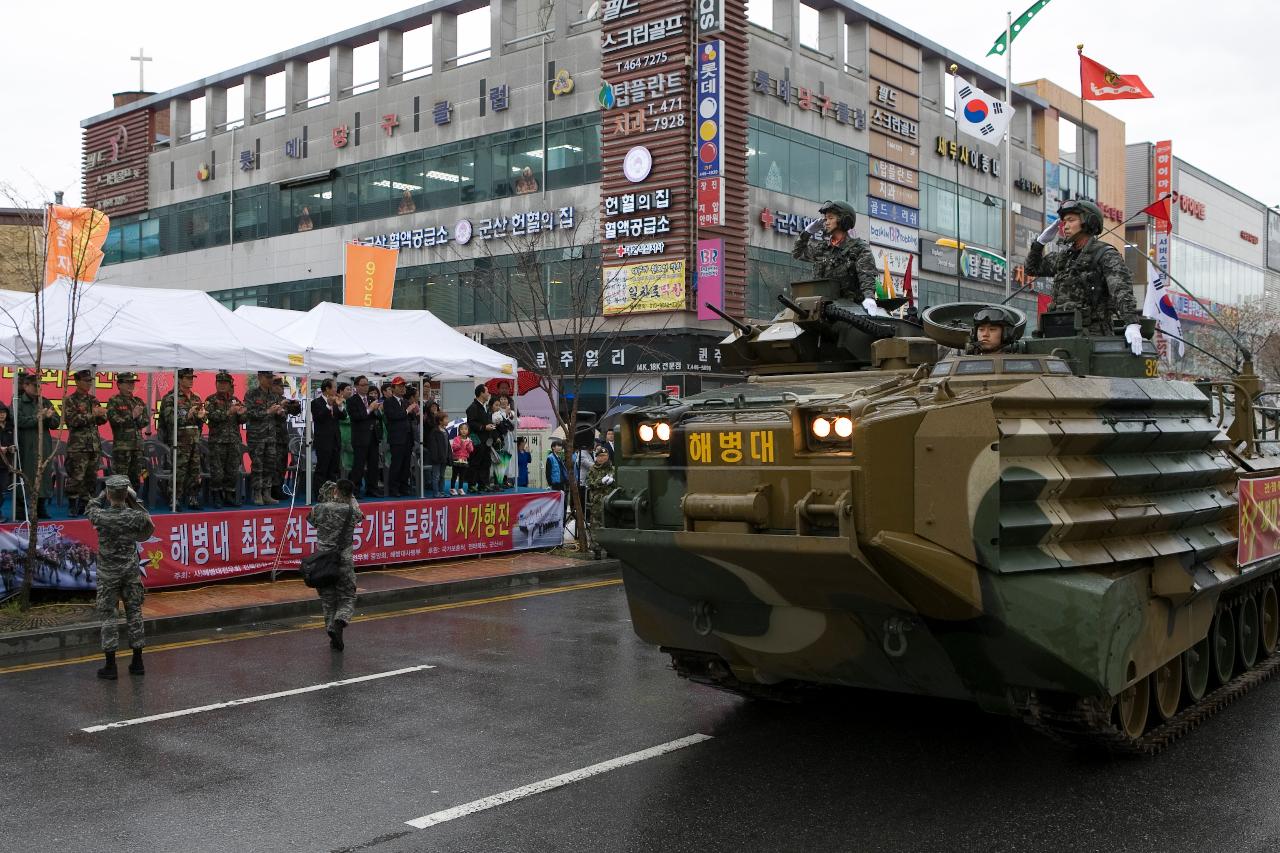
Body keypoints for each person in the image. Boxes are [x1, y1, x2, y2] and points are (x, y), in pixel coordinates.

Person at [1026, 199, 1142, 354]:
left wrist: (1132, 323)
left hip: (1092, 337)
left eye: (1071, 220)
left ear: (1089, 222)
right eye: (1064, 221)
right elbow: (1032, 268)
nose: (1065, 226)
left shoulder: (1105, 254)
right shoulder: (1064, 257)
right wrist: (1039, 243)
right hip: (1058, 333)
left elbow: (1120, 290)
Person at [86, 475, 155, 679]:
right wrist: (133, 497)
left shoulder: (101, 516)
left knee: (109, 616)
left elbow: (90, 508)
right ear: (126, 494)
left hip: (108, 575)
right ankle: (137, 662)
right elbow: (147, 521)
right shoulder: (135, 516)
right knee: (135, 613)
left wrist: (101, 495)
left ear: (108, 494)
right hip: (130, 572)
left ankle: (110, 666)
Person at [792, 200, 879, 311]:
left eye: (830, 218)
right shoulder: (822, 248)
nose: (826, 222)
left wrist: (869, 298)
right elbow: (797, 253)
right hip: (821, 309)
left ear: (844, 220)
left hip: (849, 310)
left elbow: (866, 275)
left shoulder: (858, 248)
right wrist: (807, 233)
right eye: (825, 219)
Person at [308, 479, 360, 651]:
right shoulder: (352, 510)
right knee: (347, 596)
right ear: (351, 494)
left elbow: (311, 521)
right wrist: (351, 499)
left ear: (336, 491)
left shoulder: (319, 508)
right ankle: (340, 620)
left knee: (328, 599)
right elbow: (360, 516)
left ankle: (331, 628)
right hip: (343, 560)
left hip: (323, 562)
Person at [158, 368, 207, 510]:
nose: (191, 380)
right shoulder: (171, 398)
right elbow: (169, 420)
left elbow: (201, 420)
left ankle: (193, 498)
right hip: (179, 441)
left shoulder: (196, 398)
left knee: (194, 471)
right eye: (187, 377)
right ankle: (175, 499)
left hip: (194, 440)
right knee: (178, 471)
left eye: (192, 377)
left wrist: (201, 416)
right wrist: (188, 415)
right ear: (179, 379)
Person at [62, 369, 108, 517]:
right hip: (78, 446)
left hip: (93, 445)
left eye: (90, 381)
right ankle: (72, 505)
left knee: (91, 477)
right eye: (86, 381)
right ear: (77, 382)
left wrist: (102, 414)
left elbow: (101, 421)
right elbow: (72, 421)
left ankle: (85, 504)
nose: (89, 383)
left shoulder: (93, 400)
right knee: (76, 477)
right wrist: (92, 415)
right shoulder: (70, 400)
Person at [14, 373, 55, 520]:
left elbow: (56, 423)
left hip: (44, 445)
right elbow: (19, 422)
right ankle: (21, 508)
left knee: (44, 475)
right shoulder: (18, 402)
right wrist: (38, 417)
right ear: (25, 386)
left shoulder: (45, 401)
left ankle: (41, 506)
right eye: (34, 385)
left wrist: (49, 418)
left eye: (40, 385)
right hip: (26, 446)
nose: (38, 388)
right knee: (26, 476)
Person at [204, 371, 247, 508]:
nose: (222, 386)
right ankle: (217, 496)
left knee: (232, 470)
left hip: (233, 441)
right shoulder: (210, 400)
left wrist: (241, 414)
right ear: (215, 384)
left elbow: (242, 420)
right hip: (217, 442)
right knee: (217, 472)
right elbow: (212, 416)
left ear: (230, 385)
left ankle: (229, 495)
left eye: (225, 383)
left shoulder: (235, 400)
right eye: (219, 383)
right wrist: (229, 412)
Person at [244, 371, 283, 506]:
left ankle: (267, 493)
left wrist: (280, 412)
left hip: (271, 436)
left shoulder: (274, 395)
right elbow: (248, 413)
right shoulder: (251, 394)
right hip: (256, 436)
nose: (270, 380)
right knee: (258, 466)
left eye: (271, 377)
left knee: (270, 465)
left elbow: (280, 416)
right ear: (260, 378)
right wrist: (267, 412)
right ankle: (257, 493)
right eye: (267, 377)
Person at [106, 372, 149, 492]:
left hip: (137, 446)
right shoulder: (114, 401)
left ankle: (132, 502)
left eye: (133, 382)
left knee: (136, 477)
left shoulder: (138, 401)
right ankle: (119, 504)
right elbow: (114, 421)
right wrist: (132, 416)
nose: (131, 385)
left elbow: (145, 421)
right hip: (122, 447)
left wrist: (138, 418)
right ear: (119, 384)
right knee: (121, 478)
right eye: (128, 382)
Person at [347, 376, 383, 497]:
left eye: (367, 384)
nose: (366, 387)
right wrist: (370, 409)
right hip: (360, 437)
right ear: (356, 387)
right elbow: (356, 417)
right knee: (359, 464)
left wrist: (378, 410)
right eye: (363, 385)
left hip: (373, 435)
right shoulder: (352, 400)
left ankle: (372, 488)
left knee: (374, 464)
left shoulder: (371, 398)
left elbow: (378, 416)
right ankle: (355, 490)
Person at [382, 377, 415, 496]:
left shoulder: (405, 401)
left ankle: (404, 486)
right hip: (396, 437)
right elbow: (393, 416)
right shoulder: (388, 402)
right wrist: (407, 411)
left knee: (406, 464)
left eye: (403, 386)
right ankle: (393, 488)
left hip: (407, 437)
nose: (402, 389)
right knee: (397, 463)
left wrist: (414, 412)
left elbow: (410, 418)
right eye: (400, 386)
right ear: (393, 388)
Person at [311, 378, 346, 485]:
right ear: (327, 388)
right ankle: (319, 494)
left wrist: (340, 405)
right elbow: (319, 418)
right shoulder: (316, 402)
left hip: (335, 440)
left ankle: (332, 493)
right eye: (335, 387)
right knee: (322, 468)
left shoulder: (336, 401)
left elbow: (343, 416)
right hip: (323, 441)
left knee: (334, 469)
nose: (336, 390)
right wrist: (328, 405)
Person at [273, 376, 301, 499]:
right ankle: (272, 490)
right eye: (279, 386)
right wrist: (280, 405)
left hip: (282, 437)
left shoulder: (284, 400)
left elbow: (295, 411)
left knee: (282, 464)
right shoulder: (270, 400)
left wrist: (296, 405)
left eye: (283, 386)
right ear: (273, 387)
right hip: (270, 438)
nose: (282, 389)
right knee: (273, 466)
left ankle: (279, 488)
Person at [466, 384, 496, 493]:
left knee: (486, 462)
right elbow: (471, 423)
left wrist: (491, 425)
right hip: (476, 439)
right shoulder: (473, 407)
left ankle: (483, 484)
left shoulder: (485, 407)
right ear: (481, 393)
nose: (489, 394)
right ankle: (472, 485)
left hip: (486, 440)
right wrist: (484, 427)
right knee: (475, 461)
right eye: (487, 391)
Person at [490, 395, 517, 489]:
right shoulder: (497, 412)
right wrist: (505, 414)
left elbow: (515, 424)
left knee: (507, 458)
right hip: (502, 437)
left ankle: (505, 479)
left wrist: (510, 415)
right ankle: (499, 480)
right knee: (501, 458)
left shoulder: (512, 411)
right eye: (501, 399)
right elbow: (499, 422)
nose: (503, 401)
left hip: (510, 437)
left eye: (505, 399)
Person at [586, 446, 616, 528]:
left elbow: (620, 485)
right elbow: (589, 483)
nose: (602, 458)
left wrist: (613, 482)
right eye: (600, 456)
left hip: (610, 501)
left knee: (610, 523)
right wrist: (601, 481)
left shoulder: (613, 469)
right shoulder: (593, 469)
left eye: (604, 455)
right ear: (597, 457)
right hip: (597, 502)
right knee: (596, 525)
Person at [425, 412, 451, 498]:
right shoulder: (435, 431)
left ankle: (442, 491)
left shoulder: (446, 431)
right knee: (436, 476)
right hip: (437, 458)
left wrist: (449, 456)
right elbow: (433, 446)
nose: (447, 421)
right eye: (446, 419)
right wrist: (435, 457)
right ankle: (436, 493)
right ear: (440, 421)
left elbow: (448, 445)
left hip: (444, 457)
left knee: (442, 476)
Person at [450, 423, 474, 496]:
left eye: (465, 429)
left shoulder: (469, 440)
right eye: (462, 429)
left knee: (462, 475)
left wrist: (469, 444)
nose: (464, 431)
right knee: (454, 475)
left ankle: (460, 488)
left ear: (468, 431)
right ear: (459, 430)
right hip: (456, 459)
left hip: (464, 460)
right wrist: (461, 443)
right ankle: (452, 488)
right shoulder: (456, 438)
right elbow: (454, 447)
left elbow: (471, 450)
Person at [337, 382, 354, 477]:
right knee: (340, 461)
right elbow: (344, 418)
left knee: (350, 460)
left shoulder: (351, 403)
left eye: (351, 389)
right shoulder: (338, 403)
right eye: (348, 389)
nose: (350, 391)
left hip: (351, 435)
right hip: (341, 434)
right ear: (340, 391)